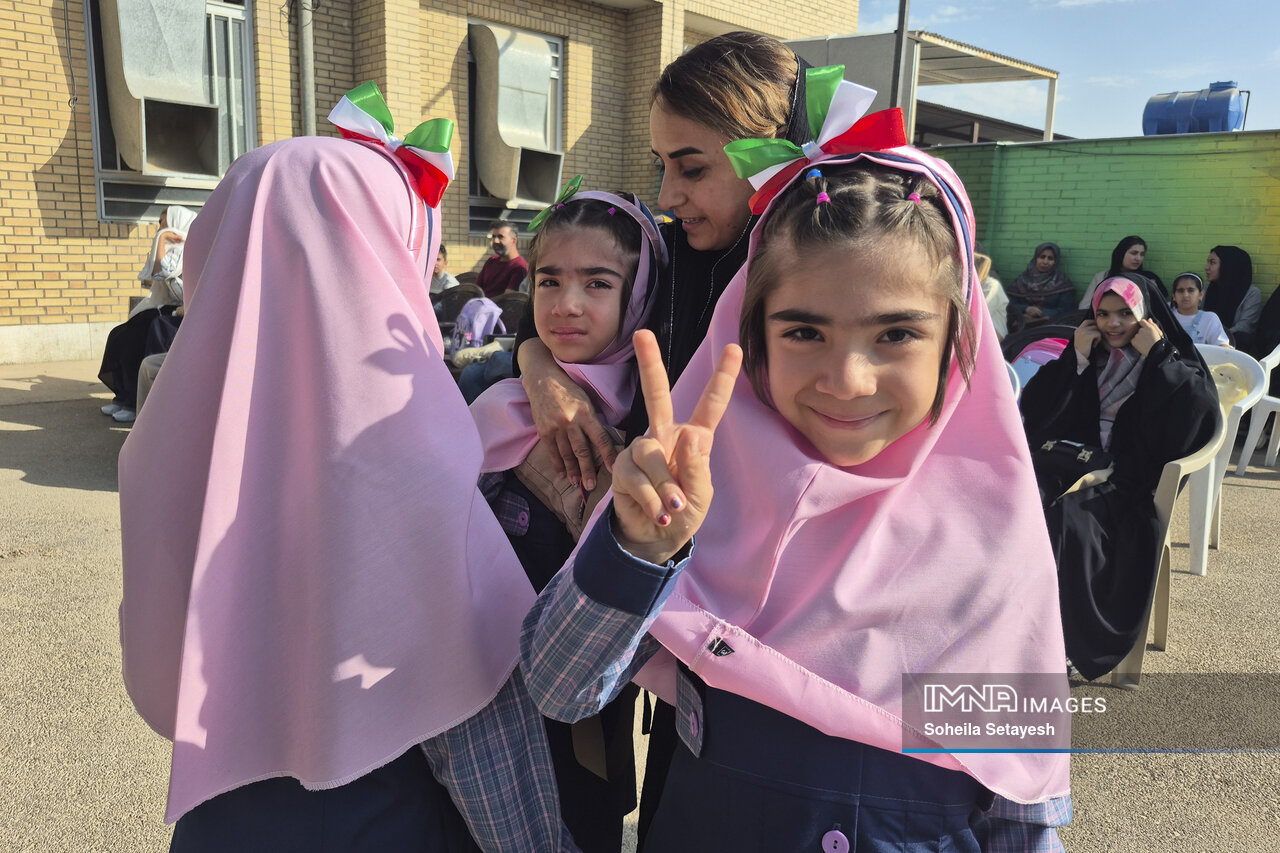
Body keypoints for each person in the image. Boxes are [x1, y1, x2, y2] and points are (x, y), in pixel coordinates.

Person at [523, 91, 1072, 851]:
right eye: (805, 332)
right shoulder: (703, 502)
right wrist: (636, 549)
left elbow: (1021, 818)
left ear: (958, 341)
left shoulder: (998, 552)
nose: (846, 380)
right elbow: (559, 685)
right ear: (750, 338)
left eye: (896, 334)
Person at [118, 96, 577, 851]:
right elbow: (472, 707)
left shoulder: (166, 433)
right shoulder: (410, 444)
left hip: (221, 813)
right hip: (378, 816)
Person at [510, 34, 834, 839]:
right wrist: (538, 367)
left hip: (782, 641)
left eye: (691, 168)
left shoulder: (821, 270)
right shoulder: (683, 256)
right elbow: (568, 300)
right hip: (671, 619)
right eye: (662, 166)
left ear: (775, 153)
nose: (668, 193)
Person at [469, 184, 664, 852]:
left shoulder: (655, 421)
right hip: (481, 694)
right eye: (549, 280)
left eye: (598, 283)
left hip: (589, 709)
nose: (566, 304)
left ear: (638, 297)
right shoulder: (490, 393)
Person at [1021, 274, 1218, 681]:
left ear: (1145, 315)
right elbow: (1037, 409)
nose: (1113, 324)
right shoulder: (1088, 352)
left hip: (1127, 477)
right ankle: (1008, 625)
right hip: (1070, 462)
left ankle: (1061, 641)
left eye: (1125, 313)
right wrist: (1075, 361)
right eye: (1104, 314)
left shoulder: (1168, 358)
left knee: (1069, 522)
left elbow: (1199, 415)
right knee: (1017, 505)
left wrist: (1159, 356)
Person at [98, 205, 197, 424]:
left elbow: (163, 272)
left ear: (177, 223)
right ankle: (124, 397)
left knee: (144, 335)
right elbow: (151, 278)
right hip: (166, 309)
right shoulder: (171, 248)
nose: (160, 227)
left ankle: (137, 403)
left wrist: (161, 238)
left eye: (164, 223)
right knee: (121, 335)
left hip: (182, 313)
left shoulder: (188, 248)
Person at [1007, 242, 1076, 334]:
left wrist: (1041, 313)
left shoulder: (1062, 282)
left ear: (1056, 261)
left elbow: (1065, 311)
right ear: (1036, 258)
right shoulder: (1022, 280)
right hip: (1021, 327)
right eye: (1042, 257)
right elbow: (1008, 304)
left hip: (1050, 328)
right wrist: (1026, 309)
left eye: (1050, 258)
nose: (1045, 262)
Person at [1078, 236, 1165, 308]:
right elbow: (1084, 306)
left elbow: (1157, 307)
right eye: (1134, 253)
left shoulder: (1148, 279)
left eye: (1142, 254)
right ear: (1121, 254)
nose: (1138, 258)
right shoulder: (1102, 277)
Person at [1203, 245, 1263, 350]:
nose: (1206, 267)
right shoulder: (1206, 289)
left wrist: (1218, 338)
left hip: (1232, 343)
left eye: (1212, 263)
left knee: (1242, 337)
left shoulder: (1252, 293)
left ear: (1228, 266)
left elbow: (1245, 326)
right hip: (1203, 339)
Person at [1169, 272, 1230, 346]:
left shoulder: (1209, 319)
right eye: (1180, 291)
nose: (1185, 295)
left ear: (1201, 295)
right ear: (1174, 296)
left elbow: (1223, 347)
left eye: (1191, 290)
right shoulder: (1167, 317)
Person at [476, 221, 528, 299]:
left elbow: (506, 301)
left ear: (514, 240)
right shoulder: (492, 260)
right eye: (493, 236)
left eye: (500, 237)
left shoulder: (519, 267)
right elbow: (477, 290)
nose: (495, 241)